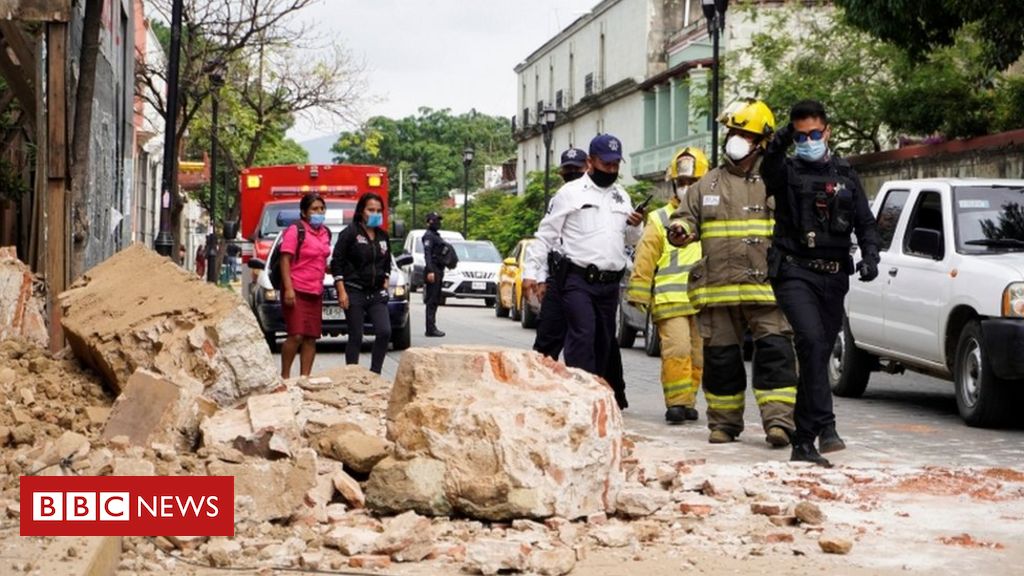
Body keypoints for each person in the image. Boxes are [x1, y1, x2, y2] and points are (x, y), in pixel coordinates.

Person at [666, 99, 798, 447]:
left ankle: (779, 424)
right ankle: (723, 425)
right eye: (732, 132)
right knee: (721, 361)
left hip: (767, 291)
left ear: (762, 141)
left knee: (775, 356)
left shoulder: (778, 182)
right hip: (719, 290)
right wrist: (679, 229)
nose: (734, 139)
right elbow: (684, 218)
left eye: (743, 133)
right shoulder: (706, 185)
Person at [761, 99, 881, 467]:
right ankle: (806, 439)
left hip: (834, 275)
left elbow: (865, 220)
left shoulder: (845, 173)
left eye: (815, 134)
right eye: (802, 136)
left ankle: (823, 428)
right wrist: (781, 139)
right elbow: (768, 169)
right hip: (795, 272)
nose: (809, 141)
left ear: (827, 132)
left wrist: (872, 256)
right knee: (811, 342)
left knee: (820, 352)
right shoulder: (787, 170)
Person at [524, 133, 644, 401]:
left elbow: (631, 239)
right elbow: (546, 236)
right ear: (590, 162)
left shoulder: (621, 196)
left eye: (615, 165)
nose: (611, 170)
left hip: (610, 283)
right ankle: (579, 397)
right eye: (606, 165)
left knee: (603, 341)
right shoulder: (570, 193)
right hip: (577, 279)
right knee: (583, 333)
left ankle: (597, 394)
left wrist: (636, 224)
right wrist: (532, 273)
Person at [626, 147, 708, 424]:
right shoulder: (660, 219)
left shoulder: (711, 217)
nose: (686, 188)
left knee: (698, 355)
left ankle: (688, 401)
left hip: (703, 300)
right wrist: (638, 291)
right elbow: (645, 255)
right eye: (682, 182)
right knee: (678, 351)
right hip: (670, 300)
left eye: (692, 182)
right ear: (674, 183)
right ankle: (676, 403)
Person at [330, 193, 392, 374]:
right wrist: (341, 290)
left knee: (384, 331)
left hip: (376, 292)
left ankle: (375, 374)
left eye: (379, 211)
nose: (375, 214)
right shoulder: (350, 233)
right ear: (361, 211)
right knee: (356, 335)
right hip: (354, 291)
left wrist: (386, 279)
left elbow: (386, 261)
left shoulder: (382, 236)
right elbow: (337, 262)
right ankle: (352, 375)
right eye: (371, 210)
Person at [278, 192, 332, 379]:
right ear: (304, 212)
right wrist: (289, 288)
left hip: (315, 290)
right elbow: (286, 259)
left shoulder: (325, 233)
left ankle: (305, 378)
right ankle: (285, 377)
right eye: (314, 209)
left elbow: (320, 260)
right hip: (296, 289)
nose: (319, 212)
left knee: (311, 337)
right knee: (296, 335)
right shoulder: (296, 230)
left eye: (321, 209)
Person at [422, 211, 448, 337]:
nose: (438, 222)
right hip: (433, 270)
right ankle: (430, 328)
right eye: (435, 220)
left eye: (439, 220)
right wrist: (430, 271)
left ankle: (432, 326)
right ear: (429, 222)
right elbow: (427, 255)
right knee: (432, 300)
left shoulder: (436, 235)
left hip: (438, 270)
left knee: (436, 299)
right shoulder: (428, 236)